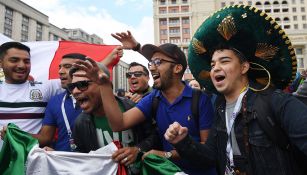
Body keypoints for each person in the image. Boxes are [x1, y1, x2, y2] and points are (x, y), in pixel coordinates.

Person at [164, 5, 307, 175]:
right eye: (212, 64)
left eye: (224, 61)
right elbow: (210, 156)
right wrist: (183, 142)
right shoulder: (219, 108)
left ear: (244, 67)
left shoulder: (276, 102)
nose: (215, 68)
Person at [72, 43, 216, 175]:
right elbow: (118, 124)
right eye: (151, 63)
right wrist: (104, 85)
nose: (152, 67)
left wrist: (167, 154)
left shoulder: (200, 100)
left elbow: (207, 151)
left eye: (158, 62)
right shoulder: (153, 99)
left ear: (177, 68)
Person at [70, 63, 160, 174]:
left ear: (105, 85)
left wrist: (138, 150)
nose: (75, 91)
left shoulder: (133, 108)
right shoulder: (80, 123)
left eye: (82, 84)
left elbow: (156, 137)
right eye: (72, 87)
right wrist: (53, 156)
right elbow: (80, 159)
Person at [0, 42, 62, 149]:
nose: (21, 65)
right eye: (14, 60)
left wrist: (16, 136)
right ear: (0, 63)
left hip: (31, 163)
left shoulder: (45, 88)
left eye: (26, 61)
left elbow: (86, 74)